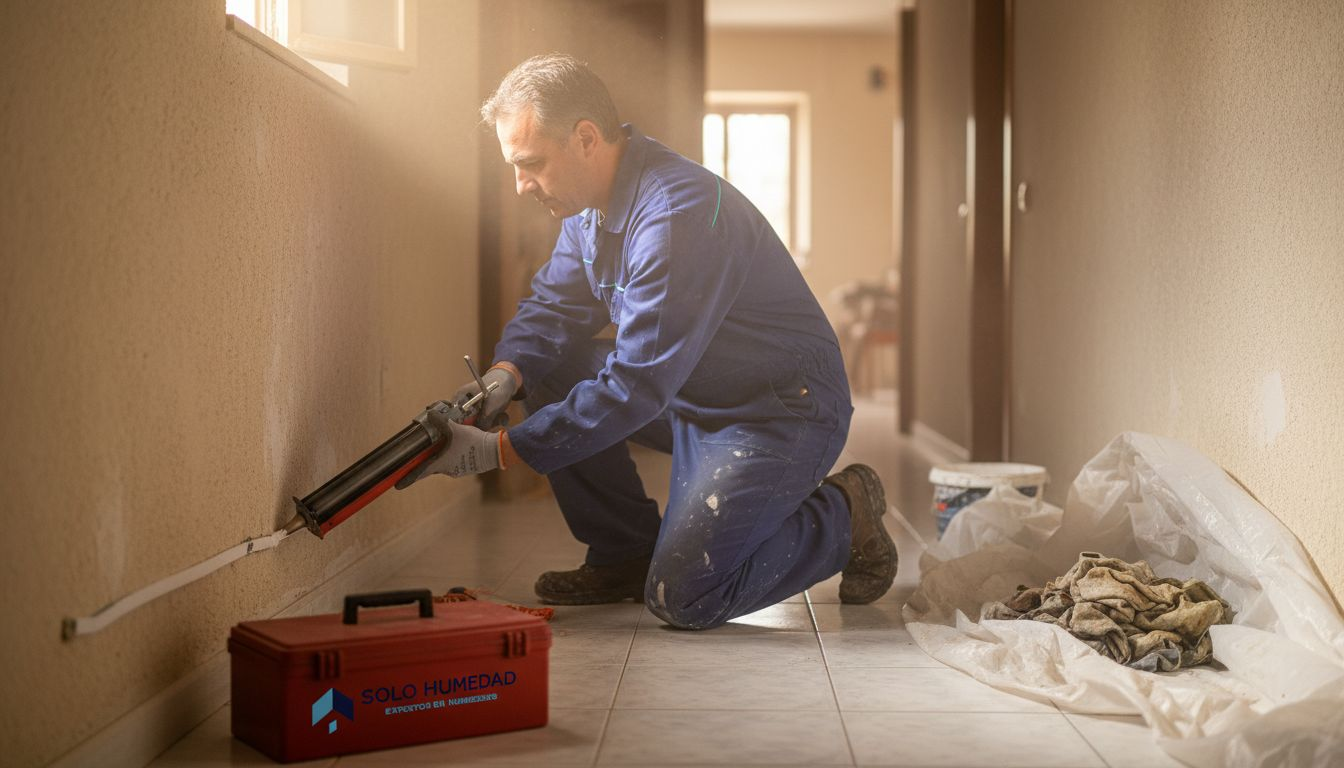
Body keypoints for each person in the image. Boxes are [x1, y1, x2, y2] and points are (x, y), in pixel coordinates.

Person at [397, 53, 897, 630]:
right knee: (548, 366)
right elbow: (555, 307)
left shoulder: (675, 216)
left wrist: (496, 451)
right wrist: (503, 376)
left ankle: (844, 512)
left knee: (685, 596)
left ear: (585, 137)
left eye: (531, 163)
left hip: (778, 410)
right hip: (693, 391)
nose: (520, 185)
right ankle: (624, 553)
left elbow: (636, 385)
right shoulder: (588, 206)